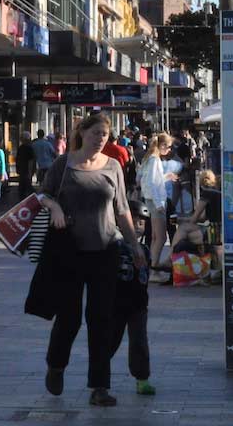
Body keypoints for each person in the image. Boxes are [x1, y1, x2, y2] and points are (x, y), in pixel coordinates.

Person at [34, 113, 143, 407]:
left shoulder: (113, 166)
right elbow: (41, 195)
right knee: (69, 319)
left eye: (105, 135)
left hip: (105, 250)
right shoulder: (64, 164)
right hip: (69, 252)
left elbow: (122, 210)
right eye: (96, 134)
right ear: (82, 133)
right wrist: (54, 206)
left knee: (101, 320)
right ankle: (56, 365)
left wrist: (135, 246)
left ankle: (100, 386)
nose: (100, 140)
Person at [113, 199, 155, 396]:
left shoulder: (145, 250)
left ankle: (142, 378)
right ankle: (99, 379)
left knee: (139, 341)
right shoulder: (115, 247)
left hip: (138, 305)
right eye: (135, 221)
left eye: (142, 222)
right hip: (116, 303)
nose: (138, 226)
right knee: (109, 341)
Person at [137, 133, 178, 274]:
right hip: (156, 202)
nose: (169, 150)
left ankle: (152, 267)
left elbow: (144, 179)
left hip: (151, 200)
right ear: (162, 146)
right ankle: (154, 268)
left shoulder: (149, 158)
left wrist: (166, 177)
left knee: (156, 237)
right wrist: (159, 204)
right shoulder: (155, 160)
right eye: (168, 147)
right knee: (161, 237)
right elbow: (151, 183)